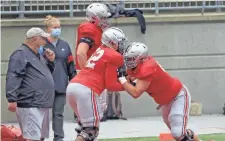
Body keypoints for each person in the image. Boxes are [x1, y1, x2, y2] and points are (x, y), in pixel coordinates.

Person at [118, 42, 201, 141]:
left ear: (142, 58)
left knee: (177, 133)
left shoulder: (147, 68)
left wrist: (121, 79)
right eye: (128, 58)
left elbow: (135, 93)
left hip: (178, 95)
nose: (128, 61)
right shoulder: (139, 65)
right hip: (165, 101)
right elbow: (130, 80)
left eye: (132, 58)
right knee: (179, 133)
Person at [66, 27, 127, 141]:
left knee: (84, 127)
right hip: (87, 89)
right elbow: (111, 85)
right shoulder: (115, 55)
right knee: (90, 131)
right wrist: (129, 87)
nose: (122, 45)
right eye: (120, 42)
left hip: (73, 86)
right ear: (112, 42)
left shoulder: (100, 49)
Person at [6, 27, 55, 141]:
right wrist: (12, 99)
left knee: (40, 137)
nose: (45, 41)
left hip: (42, 102)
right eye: (43, 38)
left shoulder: (38, 55)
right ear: (34, 39)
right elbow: (14, 75)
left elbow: (45, 74)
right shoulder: (21, 53)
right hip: (31, 102)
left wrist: (51, 61)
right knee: (32, 138)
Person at [74, 3, 112, 122]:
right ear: (93, 18)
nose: (105, 20)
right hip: (90, 73)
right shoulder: (88, 28)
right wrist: (88, 74)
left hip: (94, 72)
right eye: (103, 17)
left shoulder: (96, 29)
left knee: (97, 111)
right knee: (93, 112)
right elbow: (81, 53)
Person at [42, 15, 77, 141]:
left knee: (58, 113)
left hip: (61, 85)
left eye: (59, 27)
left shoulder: (65, 45)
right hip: (44, 86)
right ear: (48, 29)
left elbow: (70, 65)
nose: (58, 29)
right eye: (55, 27)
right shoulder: (42, 45)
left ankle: (59, 137)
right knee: (43, 115)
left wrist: (74, 80)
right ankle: (41, 136)